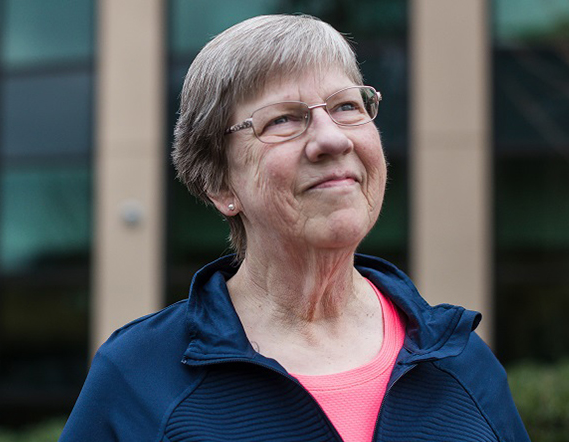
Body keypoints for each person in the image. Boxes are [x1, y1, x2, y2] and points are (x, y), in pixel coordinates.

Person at [60, 14, 529, 442]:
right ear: (220, 183)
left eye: (347, 106)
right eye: (284, 118)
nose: (332, 138)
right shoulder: (139, 374)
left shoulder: (460, 360)